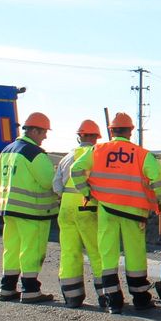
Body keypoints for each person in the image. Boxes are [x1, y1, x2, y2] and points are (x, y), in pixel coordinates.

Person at [70, 112, 161, 314]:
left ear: (111, 131)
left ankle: (113, 301)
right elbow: (158, 179)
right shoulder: (141, 154)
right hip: (134, 213)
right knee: (135, 255)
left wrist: (87, 192)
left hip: (107, 211)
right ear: (130, 131)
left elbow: (76, 169)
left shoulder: (97, 150)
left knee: (108, 255)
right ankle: (141, 299)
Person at [0, 112, 59, 303]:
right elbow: (49, 181)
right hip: (32, 211)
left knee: (12, 249)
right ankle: (31, 289)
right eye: (44, 132)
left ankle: (7, 288)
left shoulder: (6, 151)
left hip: (9, 208)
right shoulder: (34, 153)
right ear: (34, 130)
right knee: (32, 249)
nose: (45, 136)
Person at [53, 119, 104, 308]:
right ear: (96, 138)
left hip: (66, 208)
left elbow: (56, 186)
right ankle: (106, 296)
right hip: (88, 205)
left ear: (79, 137)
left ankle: (72, 296)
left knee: (69, 252)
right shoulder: (97, 155)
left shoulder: (67, 157)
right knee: (97, 251)